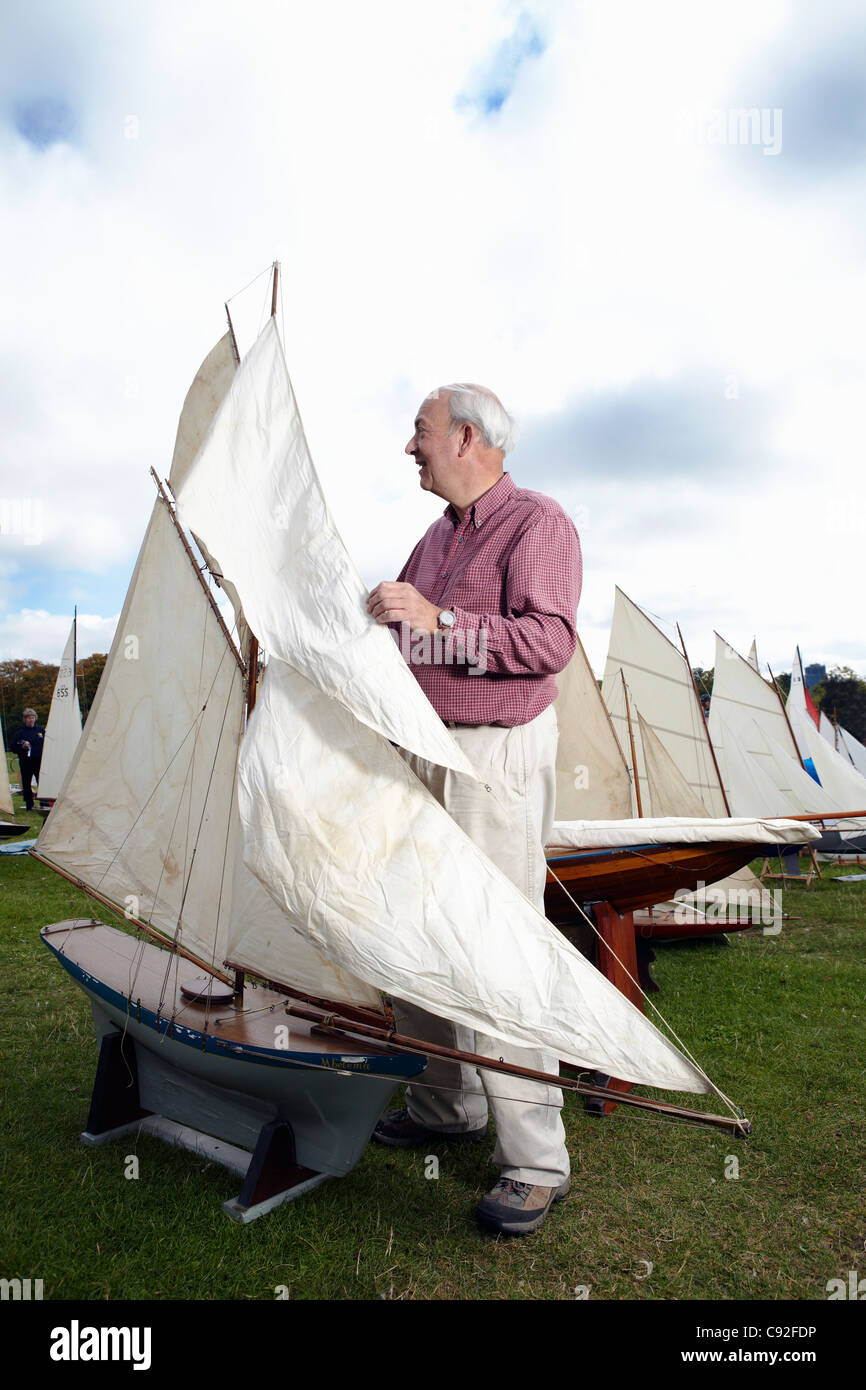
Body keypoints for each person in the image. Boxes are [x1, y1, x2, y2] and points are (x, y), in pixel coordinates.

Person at [366, 383, 582, 1236]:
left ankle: (535, 1161)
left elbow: (547, 642)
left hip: (492, 753)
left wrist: (437, 617)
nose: (409, 447)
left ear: (463, 437)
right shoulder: (432, 537)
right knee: (414, 930)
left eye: (418, 431)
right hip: (423, 750)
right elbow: (411, 636)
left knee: (495, 949)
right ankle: (446, 1106)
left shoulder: (538, 523)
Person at [11, 708, 45, 812]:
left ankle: (44, 803)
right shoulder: (20, 733)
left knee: (42, 783)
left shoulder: (41, 730)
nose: (31, 720)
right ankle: (29, 805)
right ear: (25, 719)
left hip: (39, 761)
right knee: (26, 784)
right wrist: (22, 747)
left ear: (35, 718)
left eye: (33, 717)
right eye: (29, 718)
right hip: (26, 762)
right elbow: (13, 747)